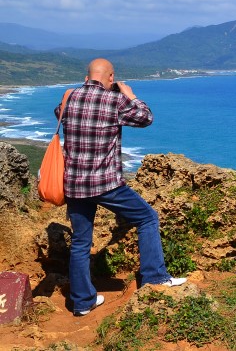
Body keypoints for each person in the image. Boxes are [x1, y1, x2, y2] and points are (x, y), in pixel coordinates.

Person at [55, 58, 186, 316]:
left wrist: (82, 92)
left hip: (74, 185)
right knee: (148, 218)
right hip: (105, 184)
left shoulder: (70, 98)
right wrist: (131, 96)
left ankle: (82, 303)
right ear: (111, 78)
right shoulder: (114, 101)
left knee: (81, 242)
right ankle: (155, 278)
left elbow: (59, 113)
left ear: (87, 76)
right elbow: (146, 118)